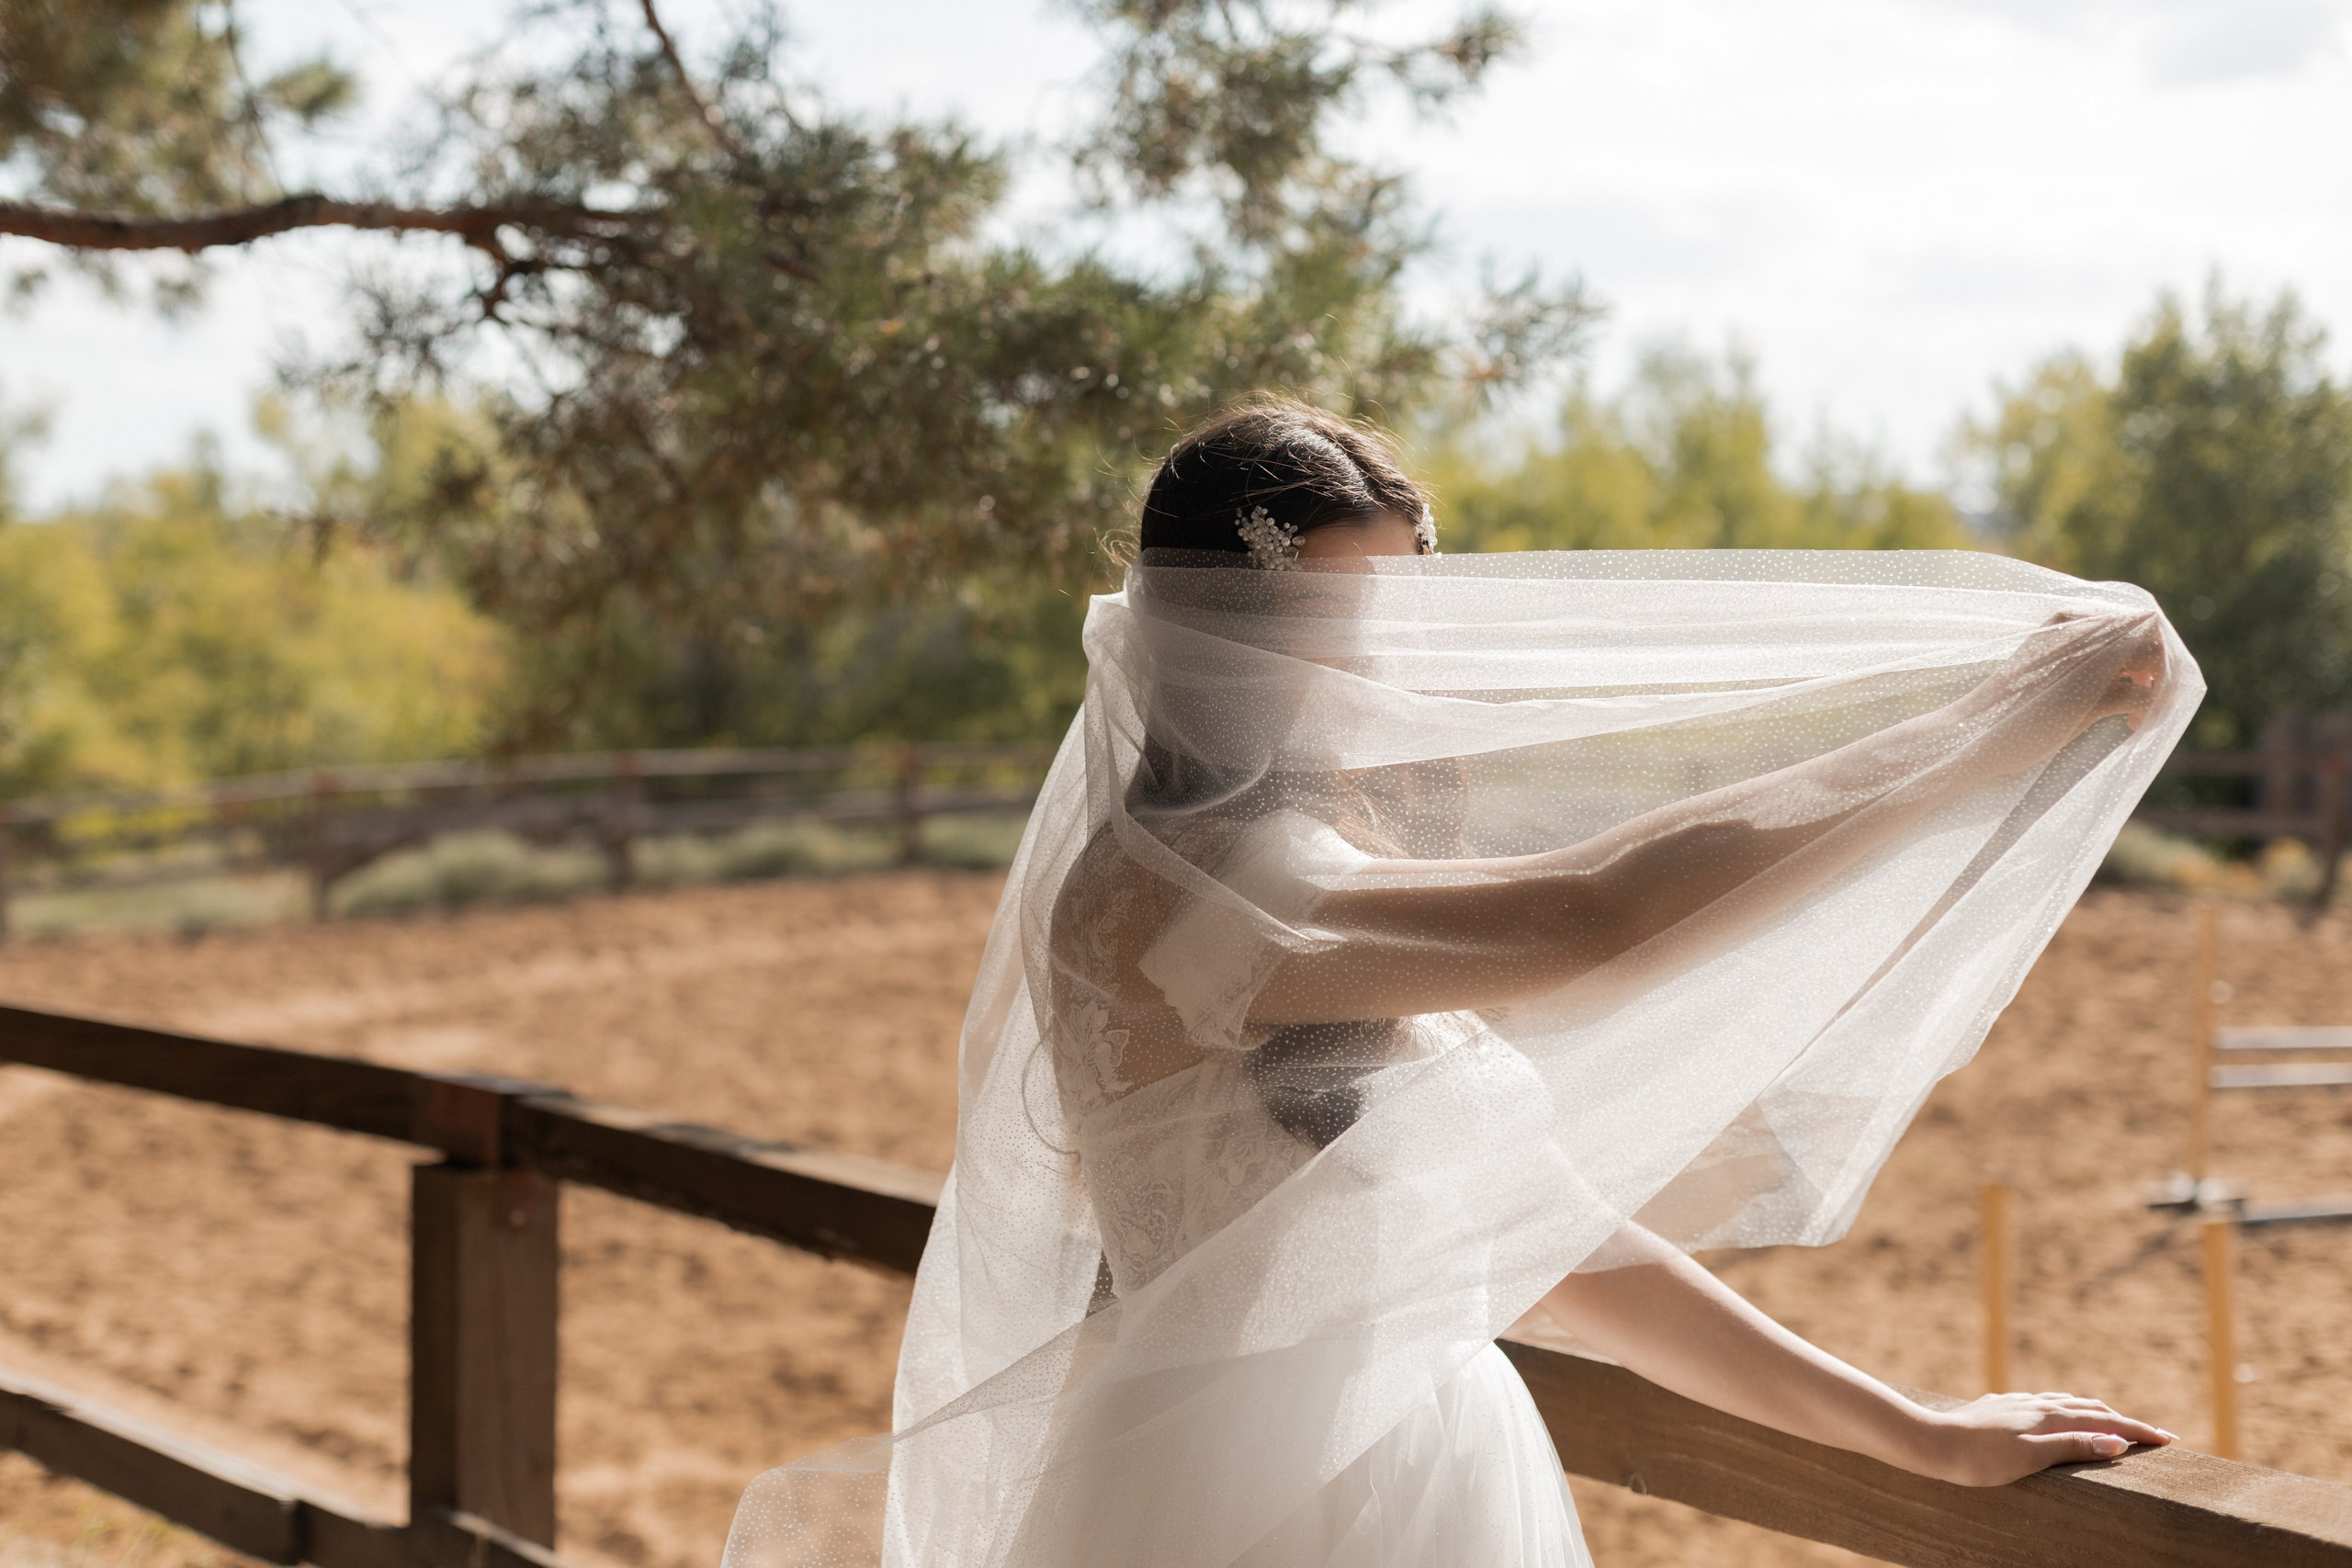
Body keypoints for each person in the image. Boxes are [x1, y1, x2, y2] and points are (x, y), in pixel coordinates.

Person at [726, 396, 2197, 1568]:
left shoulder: (1297, 864)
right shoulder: (1179, 892)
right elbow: (1601, 912)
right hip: (1244, 1509)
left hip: (1427, 1463)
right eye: (1339, 622)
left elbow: (1566, 1241)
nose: (1385, 668)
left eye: (1395, 619)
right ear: (1210, 630)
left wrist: (1912, 1430)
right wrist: (1996, 724)